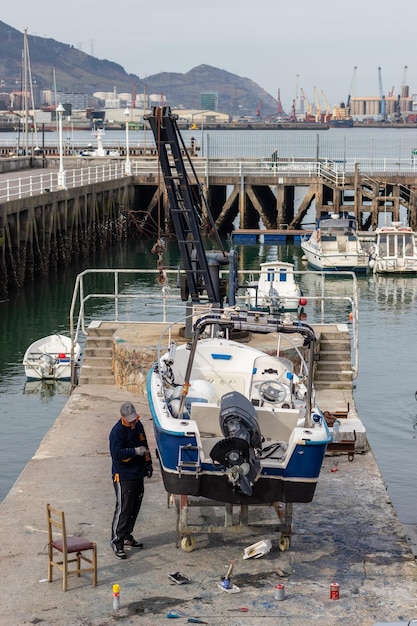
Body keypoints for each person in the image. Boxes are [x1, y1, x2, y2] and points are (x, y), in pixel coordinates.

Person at [109, 401, 153, 559]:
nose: (133, 422)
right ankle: (117, 540)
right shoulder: (117, 432)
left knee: (135, 507)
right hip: (124, 475)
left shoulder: (139, 425)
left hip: (138, 473)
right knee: (124, 509)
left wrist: (148, 464)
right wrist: (134, 451)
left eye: (135, 419)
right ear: (123, 417)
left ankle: (127, 535)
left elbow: (144, 444)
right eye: (130, 420)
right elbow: (116, 454)